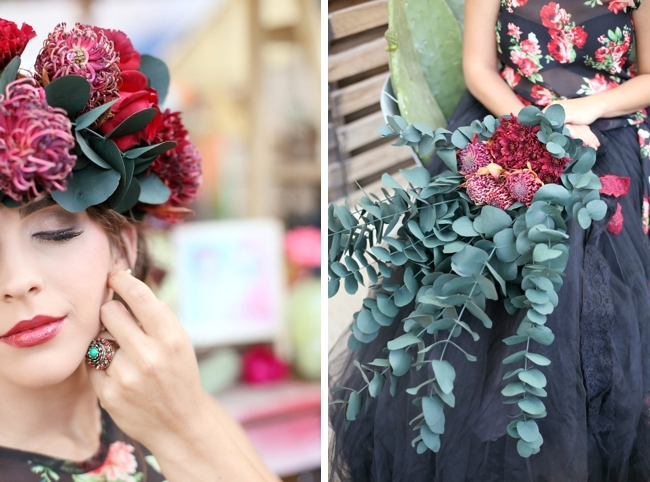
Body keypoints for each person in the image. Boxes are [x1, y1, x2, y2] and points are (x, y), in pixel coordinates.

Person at [330, 1, 650, 480]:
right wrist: (541, 126)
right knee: (482, 261)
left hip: (608, 127)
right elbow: (478, 68)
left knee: (589, 252)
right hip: (510, 119)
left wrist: (581, 112)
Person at [0, 19, 279, 482]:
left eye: (54, 232)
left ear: (122, 248)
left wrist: (183, 427)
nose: (15, 281)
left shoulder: (167, 401)